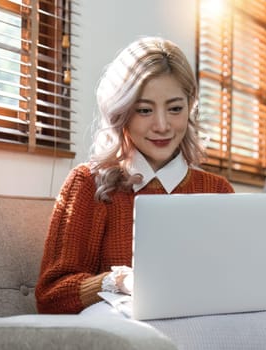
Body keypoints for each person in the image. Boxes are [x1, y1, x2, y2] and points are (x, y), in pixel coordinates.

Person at [35, 37, 234, 314]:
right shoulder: (88, 183)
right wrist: (119, 281)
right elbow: (50, 297)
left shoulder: (218, 191)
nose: (162, 125)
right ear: (122, 112)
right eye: (144, 110)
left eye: (175, 108)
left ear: (190, 107)